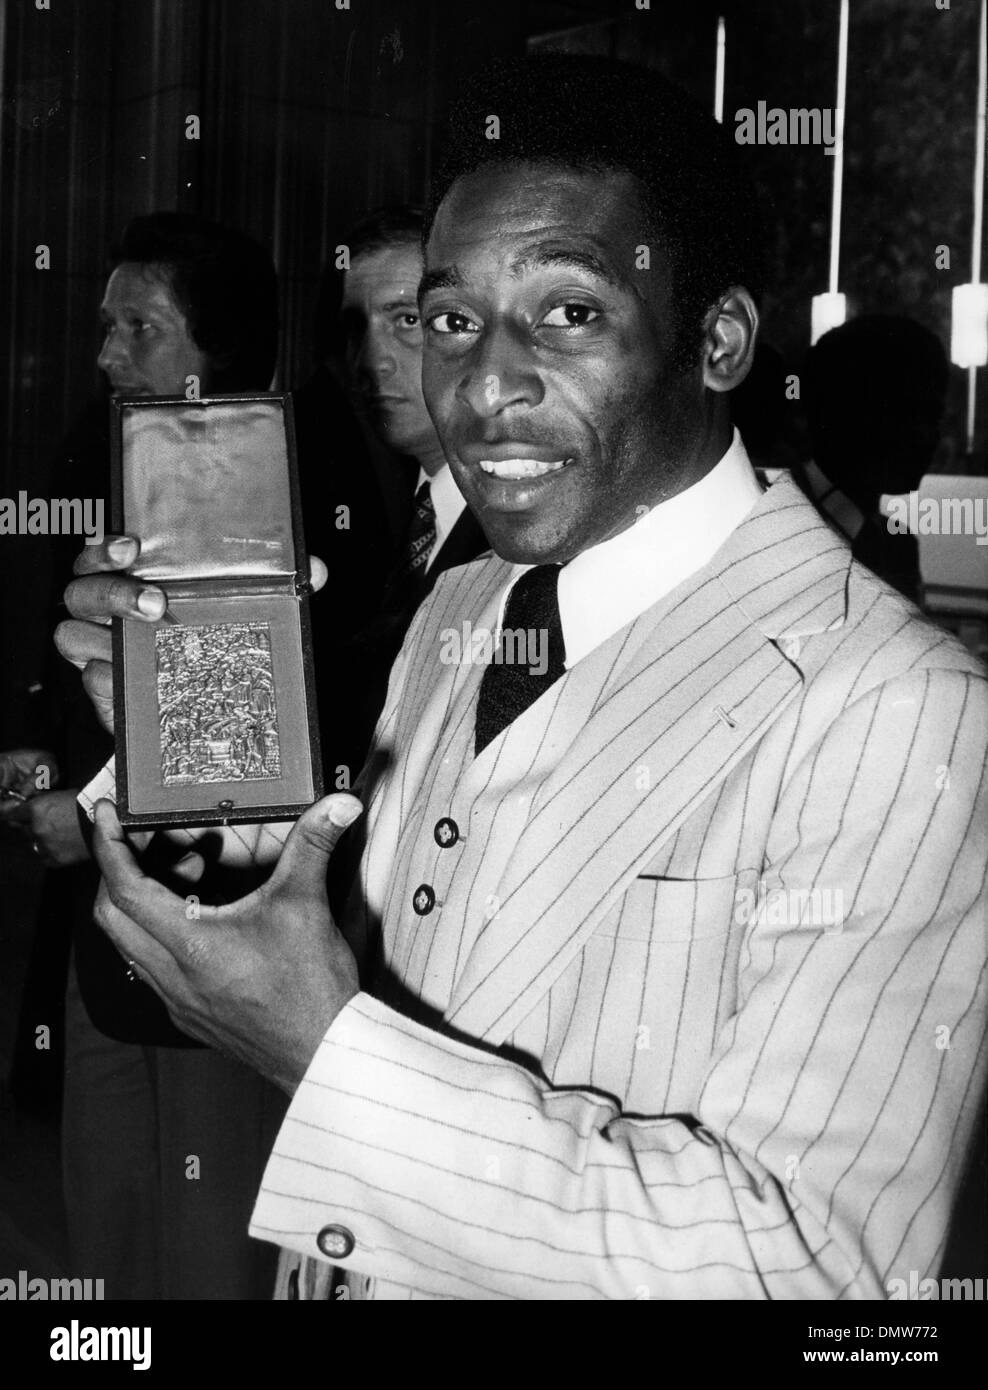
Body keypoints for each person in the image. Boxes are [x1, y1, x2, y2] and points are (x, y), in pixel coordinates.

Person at [61, 56, 987, 1300]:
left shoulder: (900, 707)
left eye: (566, 312)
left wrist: (330, 1056)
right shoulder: (462, 604)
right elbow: (372, 943)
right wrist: (189, 735)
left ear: (714, 340)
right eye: (449, 320)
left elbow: (817, 1274)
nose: (482, 387)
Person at [2, 211, 288, 1300]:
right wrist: (42, 745)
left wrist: (93, 807)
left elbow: (241, 741)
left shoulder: (260, 479)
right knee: (108, 1214)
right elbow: (65, 632)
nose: (107, 352)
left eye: (139, 328)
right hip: (115, 921)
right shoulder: (110, 442)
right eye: (107, 326)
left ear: (215, 348)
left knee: (204, 1240)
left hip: (222, 919)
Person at [297, 206, 488, 781]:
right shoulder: (396, 509)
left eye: (407, 321)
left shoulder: (525, 528)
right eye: (356, 326)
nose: (368, 360)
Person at [796, 315, 951, 602]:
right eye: (907, 413)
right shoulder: (782, 526)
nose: (928, 436)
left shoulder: (897, 545)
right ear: (848, 410)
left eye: (934, 416)